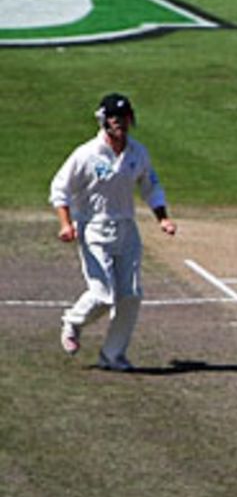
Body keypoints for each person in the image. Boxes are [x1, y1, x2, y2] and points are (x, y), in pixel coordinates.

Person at [50, 93, 177, 371]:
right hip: (94, 228)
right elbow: (59, 189)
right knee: (102, 294)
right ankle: (72, 321)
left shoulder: (138, 153)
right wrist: (65, 223)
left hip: (127, 228)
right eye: (114, 118)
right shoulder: (86, 154)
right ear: (104, 120)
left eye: (124, 117)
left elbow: (150, 187)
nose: (119, 123)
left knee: (130, 295)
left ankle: (112, 355)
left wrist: (162, 219)